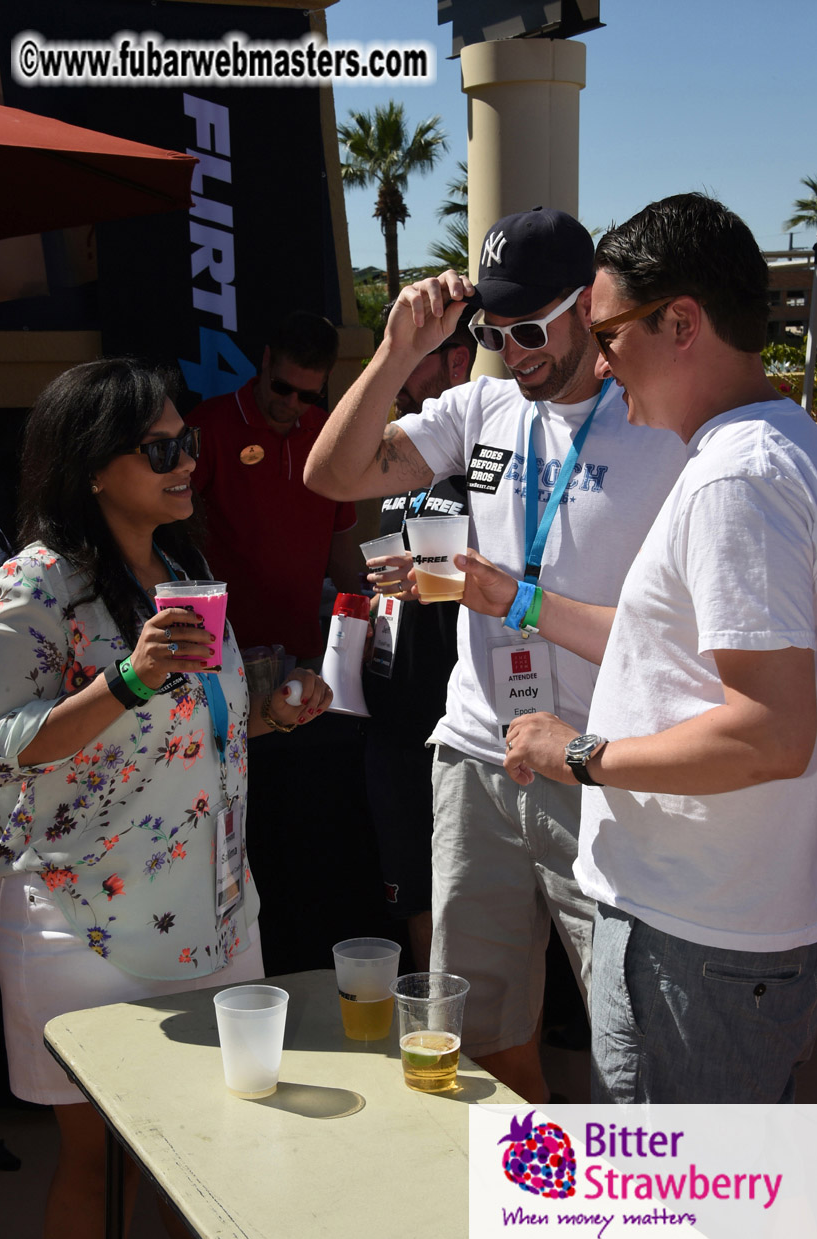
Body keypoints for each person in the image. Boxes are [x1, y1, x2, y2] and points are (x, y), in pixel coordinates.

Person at [304, 207, 686, 1100]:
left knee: (634, 1036)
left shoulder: (660, 425)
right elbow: (333, 475)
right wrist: (398, 352)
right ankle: (536, 1201)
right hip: (477, 754)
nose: (511, 353)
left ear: (589, 304)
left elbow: (676, 627)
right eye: (490, 331)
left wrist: (513, 594)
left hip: (603, 763)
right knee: (472, 1031)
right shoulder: (481, 407)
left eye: (527, 329)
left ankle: (638, 1219)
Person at [455, 192, 817, 1116]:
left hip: (698, 934)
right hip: (722, 926)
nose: (603, 359)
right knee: (743, 1188)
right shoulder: (776, 447)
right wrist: (519, 599)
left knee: (681, 1211)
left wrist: (580, 756)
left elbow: (773, 732)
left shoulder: (737, 477)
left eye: (611, 331)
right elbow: (668, 651)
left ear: (682, 322)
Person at [0, 359, 331, 1239]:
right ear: (96, 465)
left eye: (190, 443)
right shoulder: (35, 584)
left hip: (212, 913)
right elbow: (2, 745)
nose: (186, 461)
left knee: (208, 1157)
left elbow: (199, 726)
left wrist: (272, 709)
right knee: (104, 1168)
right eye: (162, 447)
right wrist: (129, 678)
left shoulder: (184, 567)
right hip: (83, 924)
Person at [361, 309, 476, 969]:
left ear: (457, 358)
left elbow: (517, 581)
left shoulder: (484, 455)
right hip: (390, 720)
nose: (401, 369)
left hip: (454, 725)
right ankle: (436, 1025)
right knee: (413, 898)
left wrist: (430, 577)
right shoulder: (398, 455)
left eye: (417, 354)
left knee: (463, 899)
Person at [188, 310, 361, 663]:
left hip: (304, 650)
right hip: (221, 650)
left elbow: (341, 540)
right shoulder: (209, 426)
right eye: (282, 387)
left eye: (308, 396)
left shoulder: (330, 436)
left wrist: (360, 618)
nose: (292, 403)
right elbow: (167, 533)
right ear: (266, 360)